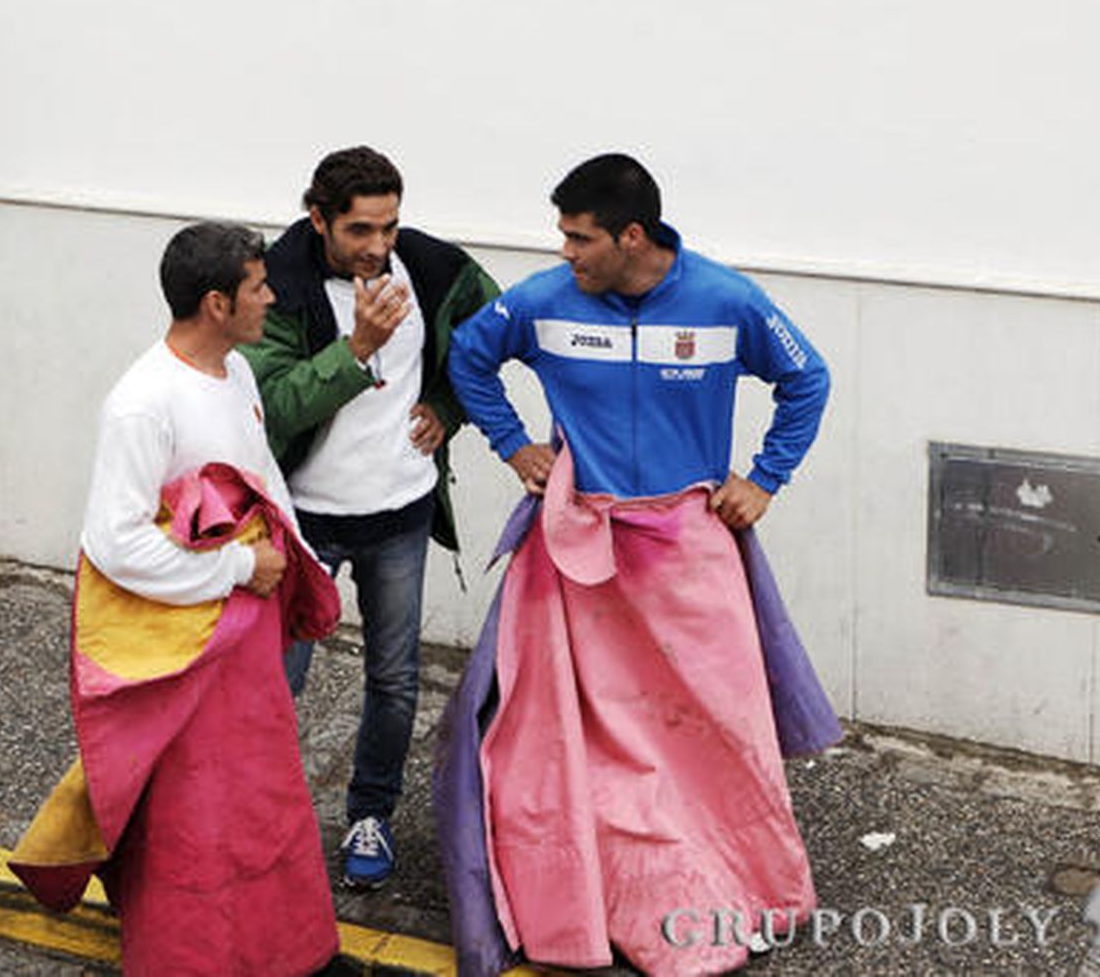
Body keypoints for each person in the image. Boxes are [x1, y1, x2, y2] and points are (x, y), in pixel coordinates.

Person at [443, 153, 831, 974]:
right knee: (573, 747)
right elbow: (468, 358)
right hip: (576, 555)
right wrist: (514, 445)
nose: (565, 254)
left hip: (690, 559)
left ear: (632, 235)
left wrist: (764, 477)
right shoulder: (542, 302)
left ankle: (748, 883)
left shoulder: (728, 299)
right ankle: (603, 893)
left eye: (579, 238)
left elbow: (808, 377)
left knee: (723, 735)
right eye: (562, 238)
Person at [10, 222, 342, 976]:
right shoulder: (142, 402)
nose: (272, 296)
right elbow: (115, 540)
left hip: (243, 635)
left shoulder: (240, 374)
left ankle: (284, 950)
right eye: (259, 285)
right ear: (218, 302)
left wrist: (300, 566)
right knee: (194, 812)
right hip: (182, 643)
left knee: (260, 796)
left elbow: (262, 477)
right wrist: (234, 568)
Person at [240, 146, 499, 888]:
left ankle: (371, 814)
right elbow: (274, 404)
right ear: (317, 217)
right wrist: (358, 349)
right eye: (359, 230)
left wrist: (448, 408)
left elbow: (486, 336)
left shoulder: (431, 265)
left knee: (394, 679)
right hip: (302, 522)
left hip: (399, 514)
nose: (377, 246)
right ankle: (266, 821)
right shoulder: (275, 281)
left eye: (388, 225)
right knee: (273, 683)